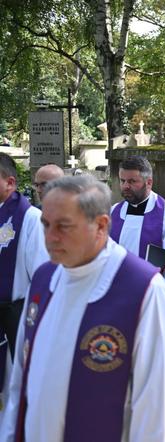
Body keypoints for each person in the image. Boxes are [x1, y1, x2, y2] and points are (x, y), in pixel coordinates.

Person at [0, 175, 165, 441]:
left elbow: (158, 405)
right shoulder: (43, 280)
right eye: (46, 225)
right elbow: (20, 382)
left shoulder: (142, 289)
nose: (50, 237)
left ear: (101, 224)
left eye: (63, 226)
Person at [0, 153, 49, 405]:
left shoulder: (29, 219)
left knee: (13, 389)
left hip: (14, 318)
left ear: (10, 182)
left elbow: (41, 274)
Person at [111, 155, 165, 258]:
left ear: (149, 182)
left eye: (132, 181)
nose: (125, 186)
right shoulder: (113, 212)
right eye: (122, 181)